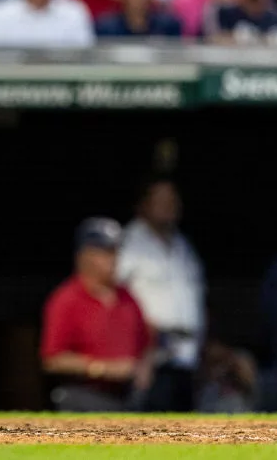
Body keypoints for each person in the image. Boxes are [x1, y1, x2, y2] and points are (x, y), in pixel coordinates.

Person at [40, 218, 153, 412]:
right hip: (83, 396)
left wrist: (144, 368)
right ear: (85, 255)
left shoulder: (127, 296)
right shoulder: (67, 299)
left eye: (116, 251)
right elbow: (52, 360)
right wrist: (102, 368)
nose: (114, 259)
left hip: (128, 398)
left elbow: (148, 339)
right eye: (106, 252)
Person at [117, 176, 205, 412]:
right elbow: (111, 298)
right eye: (161, 199)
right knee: (153, 430)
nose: (169, 204)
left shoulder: (183, 246)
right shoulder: (128, 242)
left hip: (187, 354)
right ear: (143, 205)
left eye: (173, 199)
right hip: (151, 355)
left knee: (185, 432)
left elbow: (196, 300)